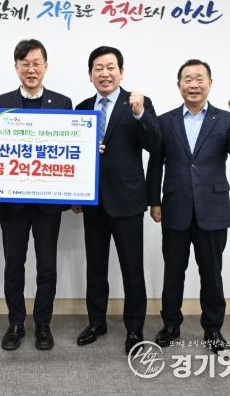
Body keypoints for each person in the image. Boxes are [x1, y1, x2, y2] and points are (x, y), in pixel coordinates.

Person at [147, 59, 230, 353]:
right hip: (175, 207)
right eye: (187, 79)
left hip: (213, 209)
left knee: (211, 273)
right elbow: (156, 164)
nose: (193, 84)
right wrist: (154, 201)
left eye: (199, 79)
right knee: (173, 272)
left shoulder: (226, 119)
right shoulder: (165, 121)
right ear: (179, 85)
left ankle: (213, 329)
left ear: (209, 83)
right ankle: (170, 325)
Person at [73, 46, 161, 355]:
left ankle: (134, 329)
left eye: (111, 67)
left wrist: (139, 114)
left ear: (121, 72)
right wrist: (75, 193)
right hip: (93, 201)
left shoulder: (137, 103)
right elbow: (74, 156)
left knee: (132, 269)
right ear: (90, 74)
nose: (105, 73)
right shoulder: (82, 107)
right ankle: (96, 322)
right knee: (95, 268)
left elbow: (155, 144)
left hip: (127, 201)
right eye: (98, 68)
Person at [0, 39, 72, 351]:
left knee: (47, 267)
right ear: (16, 67)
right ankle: (15, 323)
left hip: (48, 205)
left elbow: (70, 147)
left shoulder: (62, 103)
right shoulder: (0, 102)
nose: (31, 69)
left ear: (46, 66)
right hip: (12, 204)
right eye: (24, 63)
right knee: (13, 265)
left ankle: (42, 324)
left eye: (36, 63)